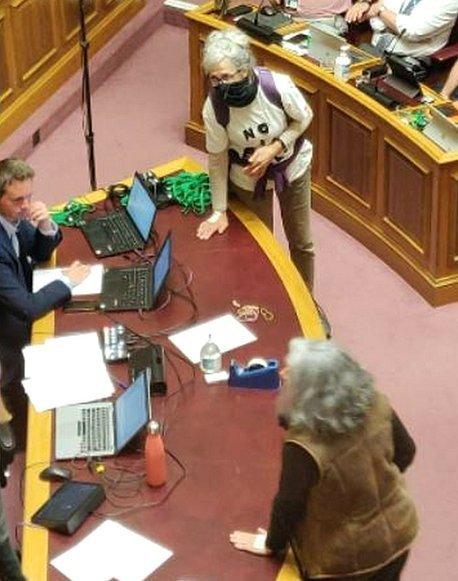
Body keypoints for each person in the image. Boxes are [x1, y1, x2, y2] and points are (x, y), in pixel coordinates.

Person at [230, 339, 418, 580]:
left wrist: (272, 544)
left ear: (311, 393)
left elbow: (289, 505)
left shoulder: (304, 444)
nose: (283, 374)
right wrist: (369, 490)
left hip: (348, 561)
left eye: (295, 375)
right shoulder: (377, 402)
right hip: (400, 532)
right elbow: (406, 452)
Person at [197, 29, 315, 290]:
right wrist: (219, 211)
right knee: (261, 246)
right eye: (215, 79)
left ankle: (307, 300)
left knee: (302, 242)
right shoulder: (214, 107)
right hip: (248, 178)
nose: (222, 86)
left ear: (245, 69)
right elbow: (217, 159)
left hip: (292, 167)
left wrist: (276, 147)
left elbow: (304, 118)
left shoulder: (277, 85)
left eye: (227, 76)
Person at [0, 158, 89, 449]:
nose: (25, 206)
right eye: (17, 200)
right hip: (7, 339)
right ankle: (21, 431)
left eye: (29, 197)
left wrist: (46, 224)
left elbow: (37, 251)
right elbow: (26, 307)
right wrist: (68, 282)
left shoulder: (11, 219)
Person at [345, 0, 457, 59]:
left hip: (407, 59)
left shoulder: (451, 2)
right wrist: (365, 2)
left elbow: (412, 31)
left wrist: (380, 11)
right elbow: (382, 4)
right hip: (376, 45)